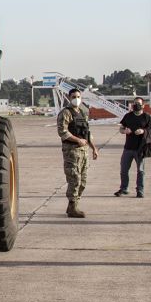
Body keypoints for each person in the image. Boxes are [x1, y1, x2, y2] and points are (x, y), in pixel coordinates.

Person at [56, 88, 99, 218]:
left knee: (83, 181)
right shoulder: (66, 113)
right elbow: (62, 132)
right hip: (72, 151)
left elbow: (87, 133)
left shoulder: (82, 112)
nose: (76, 99)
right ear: (69, 98)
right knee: (74, 179)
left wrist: (94, 148)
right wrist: (77, 140)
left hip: (84, 152)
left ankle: (73, 205)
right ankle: (73, 206)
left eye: (78, 96)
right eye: (74, 96)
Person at [114, 97, 151, 198]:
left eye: (138, 104)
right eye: (135, 103)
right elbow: (121, 128)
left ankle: (140, 190)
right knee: (124, 170)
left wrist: (143, 131)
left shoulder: (147, 117)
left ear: (143, 105)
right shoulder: (128, 116)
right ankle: (124, 188)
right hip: (128, 148)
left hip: (140, 149)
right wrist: (124, 131)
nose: (136, 105)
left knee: (140, 171)